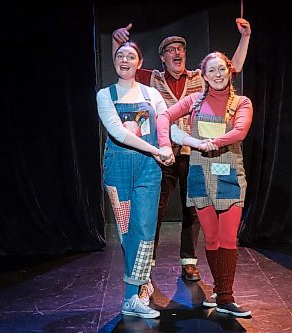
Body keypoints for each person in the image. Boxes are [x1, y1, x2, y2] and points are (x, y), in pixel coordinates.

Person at [112, 18, 251, 287]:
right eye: (171, 50)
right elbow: (125, 69)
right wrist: (116, 43)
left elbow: (232, 68)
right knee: (156, 208)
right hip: (163, 154)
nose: (177, 53)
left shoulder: (202, 77)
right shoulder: (151, 78)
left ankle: (189, 263)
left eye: (181, 49)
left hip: (194, 153)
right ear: (162, 57)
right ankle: (147, 264)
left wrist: (244, 38)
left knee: (194, 211)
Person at [156, 51, 253, 317]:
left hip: (229, 175)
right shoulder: (194, 101)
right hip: (200, 175)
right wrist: (171, 143)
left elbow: (239, 131)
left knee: (227, 237)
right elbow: (163, 117)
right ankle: (220, 294)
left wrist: (212, 143)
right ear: (204, 75)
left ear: (229, 71)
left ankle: (225, 296)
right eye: (211, 71)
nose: (217, 75)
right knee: (210, 238)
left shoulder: (241, 102)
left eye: (221, 69)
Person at [96, 41, 175, 318]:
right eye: (120, 55)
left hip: (147, 170)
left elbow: (166, 127)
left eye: (131, 56)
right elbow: (117, 132)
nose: (125, 59)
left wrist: (170, 145)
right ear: (115, 62)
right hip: (117, 170)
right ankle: (139, 288)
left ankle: (132, 296)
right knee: (127, 231)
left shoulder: (152, 94)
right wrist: (157, 149)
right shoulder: (105, 95)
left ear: (139, 63)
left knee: (143, 230)